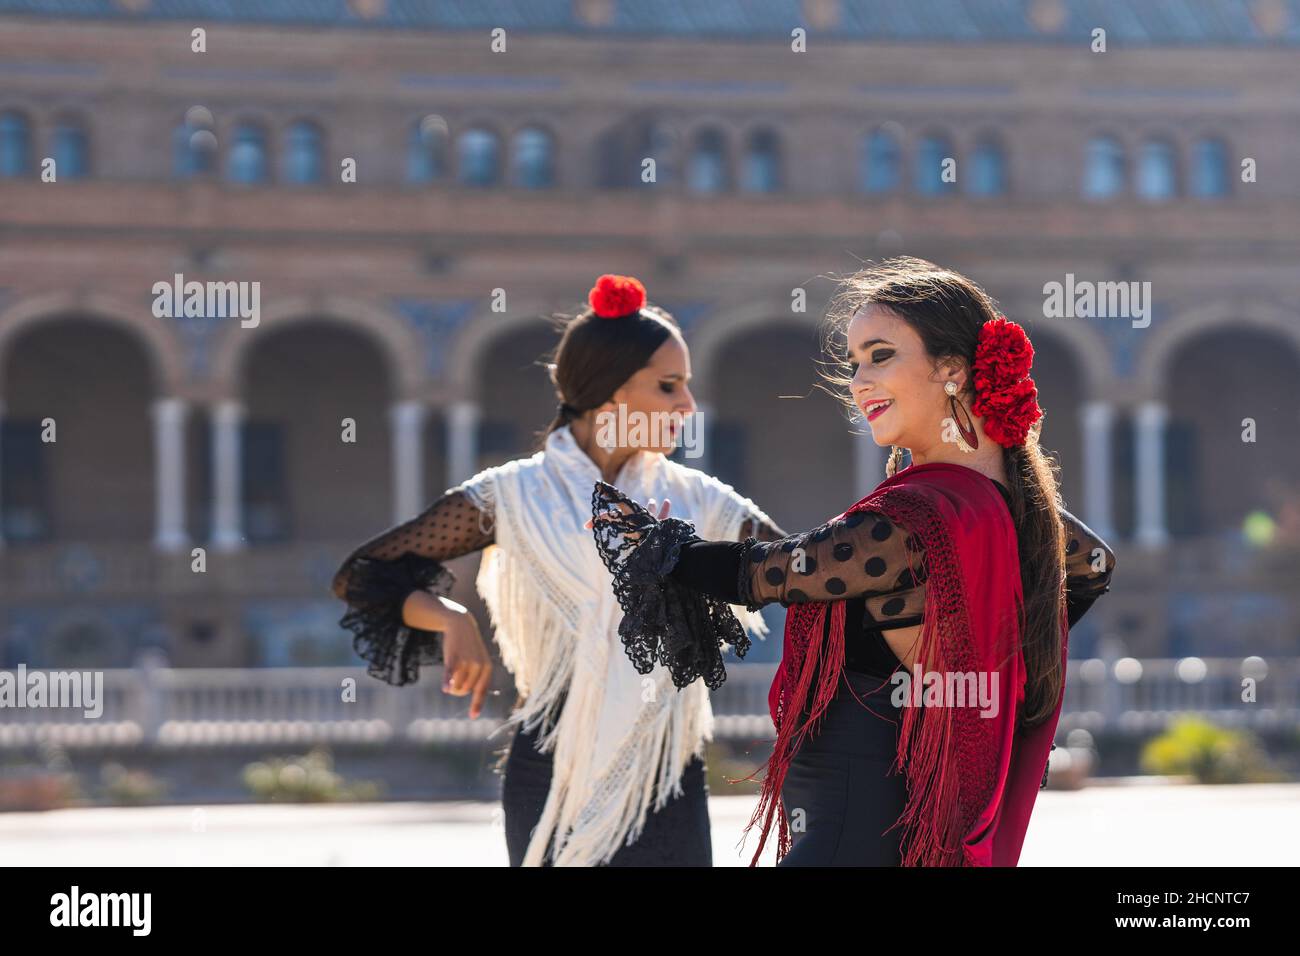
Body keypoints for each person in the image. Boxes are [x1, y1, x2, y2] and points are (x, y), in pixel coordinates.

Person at [589, 257, 1118, 866]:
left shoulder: (914, 517)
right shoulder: (1007, 506)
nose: (859, 381)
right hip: (915, 829)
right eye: (855, 363)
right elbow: (1093, 566)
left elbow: (778, 572)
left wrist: (658, 548)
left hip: (853, 836)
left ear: (952, 370)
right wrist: (992, 655)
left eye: (881, 355)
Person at [331, 274, 785, 866]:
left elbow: (804, 571)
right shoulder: (512, 495)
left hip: (665, 775)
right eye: (669, 386)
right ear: (609, 393)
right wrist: (448, 617)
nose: (689, 407)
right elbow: (364, 573)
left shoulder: (701, 499)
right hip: (549, 771)